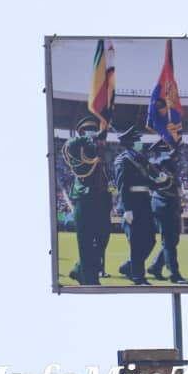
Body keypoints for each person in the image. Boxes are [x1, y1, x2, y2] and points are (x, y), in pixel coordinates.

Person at [114, 122, 168, 285]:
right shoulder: (123, 160)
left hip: (145, 202)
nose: (141, 142)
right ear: (131, 143)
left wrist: (159, 181)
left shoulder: (140, 159)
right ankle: (139, 277)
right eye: (138, 140)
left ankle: (129, 266)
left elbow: (147, 182)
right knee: (137, 243)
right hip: (133, 204)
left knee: (150, 240)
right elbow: (121, 185)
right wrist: (127, 209)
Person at [63, 115, 112, 285]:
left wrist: (101, 141)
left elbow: (107, 167)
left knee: (103, 237)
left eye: (94, 128)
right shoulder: (75, 145)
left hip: (101, 198)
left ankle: (79, 269)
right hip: (84, 196)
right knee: (85, 240)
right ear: (81, 131)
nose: (93, 131)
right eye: (88, 129)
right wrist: (92, 136)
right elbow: (73, 146)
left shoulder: (101, 148)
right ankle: (90, 280)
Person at [145, 137, 188, 284]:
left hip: (172, 204)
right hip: (162, 204)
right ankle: (174, 275)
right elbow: (155, 164)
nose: (175, 155)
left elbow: (175, 187)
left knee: (173, 240)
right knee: (169, 241)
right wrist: (170, 154)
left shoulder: (170, 165)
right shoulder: (155, 162)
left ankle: (156, 267)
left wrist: (179, 204)